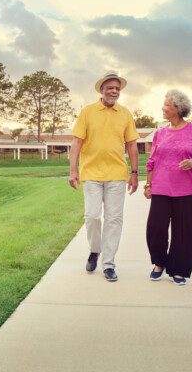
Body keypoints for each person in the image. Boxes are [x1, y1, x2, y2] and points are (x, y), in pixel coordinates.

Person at [69, 71, 140, 282]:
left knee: (114, 220)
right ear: (101, 89)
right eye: (110, 88)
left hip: (117, 175)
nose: (114, 91)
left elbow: (132, 145)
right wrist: (73, 170)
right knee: (91, 216)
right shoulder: (88, 112)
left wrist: (135, 173)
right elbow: (76, 143)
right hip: (91, 173)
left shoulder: (125, 114)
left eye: (117, 88)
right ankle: (95, 249)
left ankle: (108, 263)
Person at [144, 89, 192, 285]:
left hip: (186, 188)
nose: (163, 108)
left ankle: (179, 269)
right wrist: (148, 184)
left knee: (183, 231)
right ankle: (159, 262)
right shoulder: (160, 133)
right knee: (155, 229)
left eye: (166, 105)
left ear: (178, 108)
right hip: (161, 188)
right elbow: (152, 161)